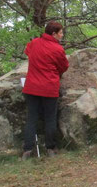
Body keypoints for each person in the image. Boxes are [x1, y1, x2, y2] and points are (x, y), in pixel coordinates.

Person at [22, 21, 69, 160]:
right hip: (49, 87)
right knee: (50, 119)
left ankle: (27, 150)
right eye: (60, 33)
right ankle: (50, 148)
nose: (62, 35)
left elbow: (27, 52)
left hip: (31, 87)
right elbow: (64, 66)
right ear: (53, 34)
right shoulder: (58, 49)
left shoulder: (34, 43)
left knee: (31, 118)